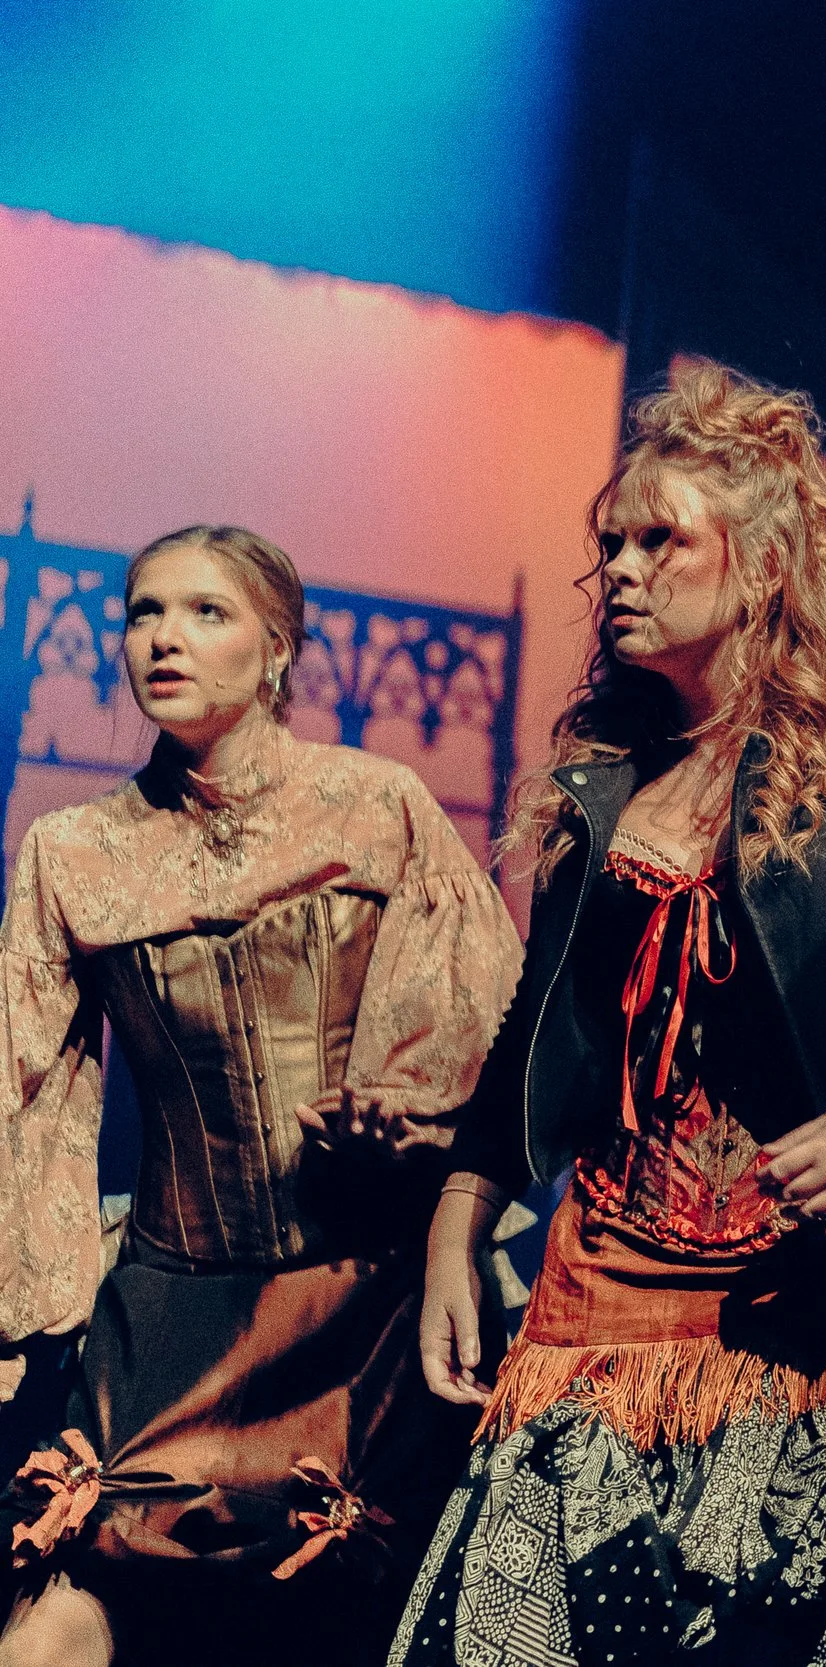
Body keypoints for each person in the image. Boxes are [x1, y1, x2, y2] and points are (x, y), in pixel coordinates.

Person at [389, 359, 826, 1667]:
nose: (617, 566)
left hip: (798, 1302)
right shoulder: (609, 775)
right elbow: (537, 1037)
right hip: (594, 1290)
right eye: (608, 541)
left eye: (659, 537)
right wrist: (459, 1222)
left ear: (765, 559)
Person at [0, 526, 523, 1665]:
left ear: (276, 648)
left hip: (365, 1291)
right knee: (57, 1619)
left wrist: (406, 1113)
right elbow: (22, 1089)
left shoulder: (377, 804)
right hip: (173, 1301)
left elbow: (478, 1016)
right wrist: (26, 1297)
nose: (163, 638)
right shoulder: (72, 851)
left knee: (333, 1614)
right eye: (143, 612)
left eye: (204, 612)